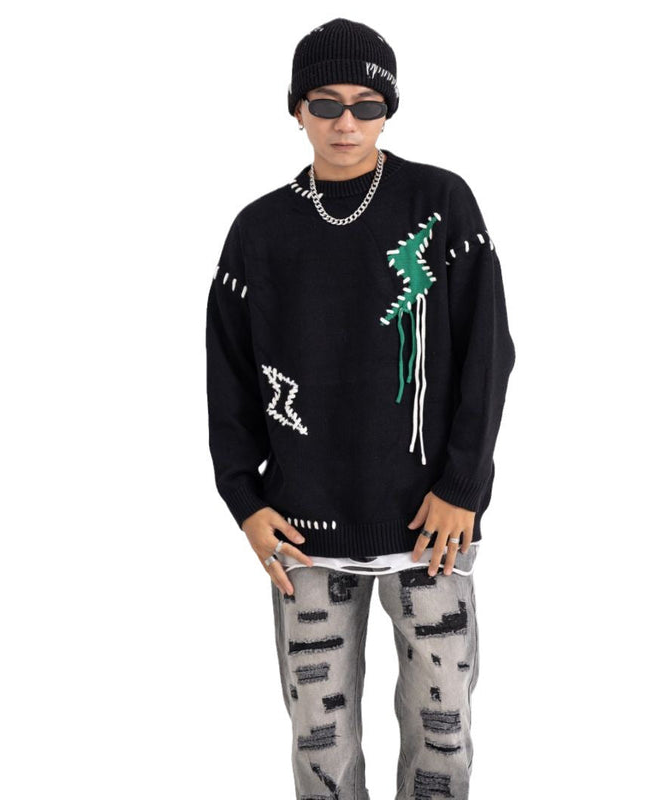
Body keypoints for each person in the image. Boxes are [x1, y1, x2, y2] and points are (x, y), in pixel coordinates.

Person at [205, 17, 515, 799]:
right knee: (321, 745)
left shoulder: (440, 205)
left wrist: (463, 486)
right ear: (296, 109)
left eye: (367, 104)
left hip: (431, 528)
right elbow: (227, 379)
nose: (346, 122)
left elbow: (488, 354)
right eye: (326, 103)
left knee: (443, 732)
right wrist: (245, 501)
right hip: (304, 532)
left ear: (388, 110)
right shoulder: (258, 232)